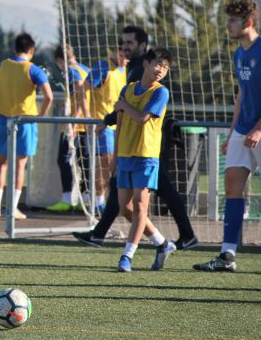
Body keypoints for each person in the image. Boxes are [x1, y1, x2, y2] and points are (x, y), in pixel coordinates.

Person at [73, 25, 198, 250]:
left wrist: (109, 119)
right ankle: (102, 234)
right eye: (122, 43)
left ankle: (117, 241)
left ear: (142, 46)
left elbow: (130, 107)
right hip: (134, 143)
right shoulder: (133, 71)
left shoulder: (144, 71)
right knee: (130, 194)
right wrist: (113, 119)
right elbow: (126, 104)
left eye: (129, 43)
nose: (124, 47)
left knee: (155, 193)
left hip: (146, 144)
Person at [194, 0, 261, 272]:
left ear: (248, 22)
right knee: (232, 185)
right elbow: (241, 95)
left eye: (232, 21)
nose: (228, 25)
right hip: (242, 131)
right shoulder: (239, 51)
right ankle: (227, 256)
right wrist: (232, 133)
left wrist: (260, 128)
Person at [0, 33, 53, 220]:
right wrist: (40, 116)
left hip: (4, 120)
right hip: (25, 122)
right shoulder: (34, 70)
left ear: (14, 49)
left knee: (1, 164)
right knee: (20, 165)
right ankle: (12, 208)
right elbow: (49, 96)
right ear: (31, 50)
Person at [113, 47, 176, 272]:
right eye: (158, 64)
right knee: (125, 209)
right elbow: (120, 124)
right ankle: (162, 243)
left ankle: (126, 256)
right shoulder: (127, 89)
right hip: (125, 155)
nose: (161, 70)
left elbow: (141, 118)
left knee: (140, 206)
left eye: (166, 67)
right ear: (146, 64)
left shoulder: (161, 93)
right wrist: (114, 156)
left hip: (147, 156)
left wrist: (122, 106)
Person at [84, 45, 128, 215]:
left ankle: (113, 201)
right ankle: (99, 202)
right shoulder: (103, 67)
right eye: (121, 54)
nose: (123, 59)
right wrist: (87, 115)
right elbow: (84, 88)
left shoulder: (127, 71)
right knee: (106, 163)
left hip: (122, 125)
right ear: (116, 52)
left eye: (126, 56)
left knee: (117, 165)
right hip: (103, 124)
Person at [47, 44, 91, 213]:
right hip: (85, 124)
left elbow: (81, 95)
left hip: (76, 125)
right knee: (84, 162)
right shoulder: (84, 68)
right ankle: (85, 200)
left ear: (59, 60)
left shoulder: (72, 71)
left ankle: (67, 200)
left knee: (63, 160)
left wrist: (73, 122)